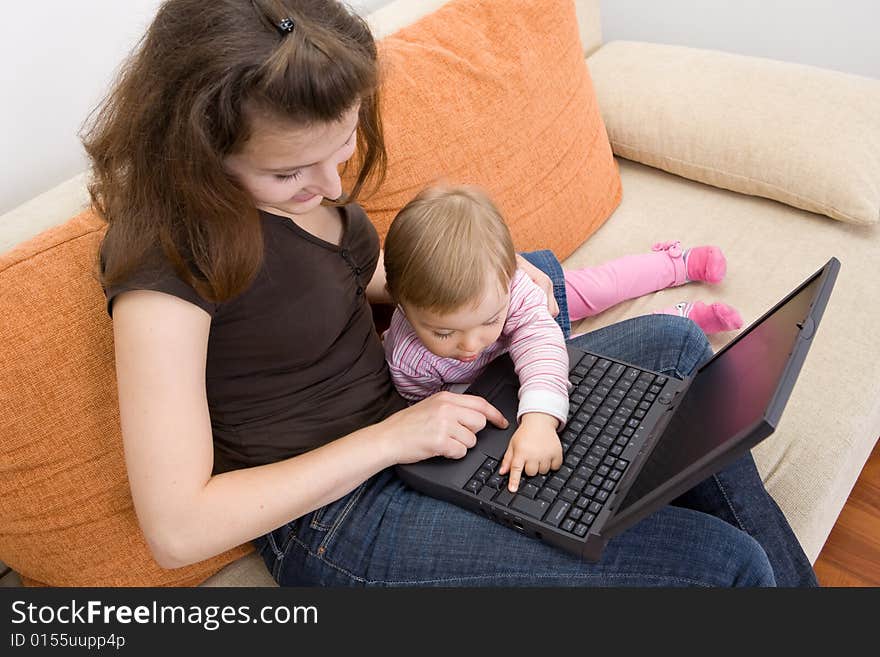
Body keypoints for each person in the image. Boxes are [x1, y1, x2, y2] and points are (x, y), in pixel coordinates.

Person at [85, 0, 817, 587]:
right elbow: (177, 528)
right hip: (338, 516)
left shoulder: (307, 185)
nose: (333, 187)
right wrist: (392, 438)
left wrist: (497, 277)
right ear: (198, 146)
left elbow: (357, 276)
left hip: (425, 431)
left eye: (340, 148)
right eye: (291, 175)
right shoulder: (165, 260)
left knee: (679, 347)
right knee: (725, 563)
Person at [381, 184, 742, 493]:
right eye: (445, 333)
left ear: (508, 277)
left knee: (601, 287)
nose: (472, 345)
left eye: (489, 321)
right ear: (402, 304)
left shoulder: (515, 291)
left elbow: (541, 342)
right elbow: (436, 410)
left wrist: (540, 419)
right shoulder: (407, 359)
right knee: (593, 348)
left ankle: (675, 264)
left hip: (539, 309)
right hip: (508, 376)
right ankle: (680, 315)